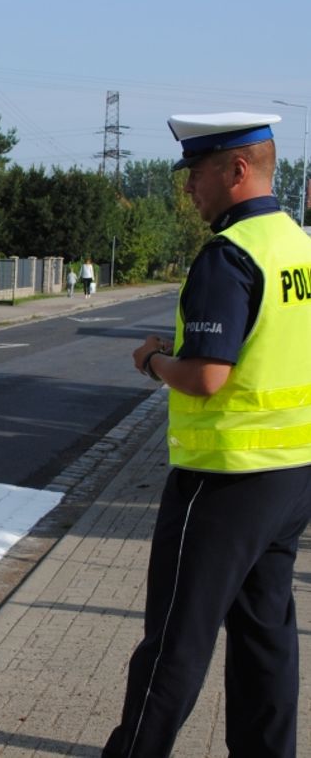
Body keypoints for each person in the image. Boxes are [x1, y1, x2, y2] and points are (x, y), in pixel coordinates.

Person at [105, 112, 311, 757]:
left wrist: (152, 361)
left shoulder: (230, 255)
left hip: (223, 478)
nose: (188, 186)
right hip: (292, 471)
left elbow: (208, 377)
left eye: (196, 172)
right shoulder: (298, 247)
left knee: (175, 640)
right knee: (265, 633)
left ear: (237, 170)